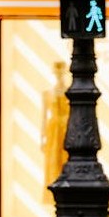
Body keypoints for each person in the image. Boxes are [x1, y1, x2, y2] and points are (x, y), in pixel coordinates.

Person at [41, 60, 71, 195]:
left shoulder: (70, 92)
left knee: (66, 158)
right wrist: (42, 137)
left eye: (61, 72)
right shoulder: (47, 93)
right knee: (52, 160)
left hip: (66, 128)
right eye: (56, 72)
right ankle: (53, 192)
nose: (59, 75)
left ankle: (69, 191)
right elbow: (43, 116)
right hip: (53, 130)